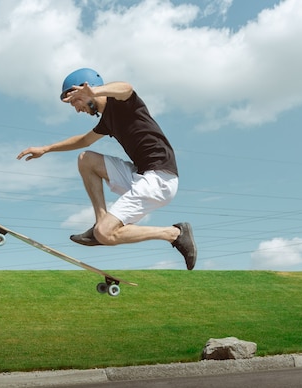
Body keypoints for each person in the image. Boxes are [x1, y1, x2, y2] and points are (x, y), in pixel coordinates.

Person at [17, 68, 197, 270]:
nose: (77, 109)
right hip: (140, 175)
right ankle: (100, 222)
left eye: (75, 101)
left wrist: (96, 92)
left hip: (159, 179)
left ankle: (174, 234)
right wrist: (46, 149)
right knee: (86, 160)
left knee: (105, 234)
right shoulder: (107, 120)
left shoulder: (121, 101)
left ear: (86, 89)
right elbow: (84, 140)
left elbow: (126, 87)